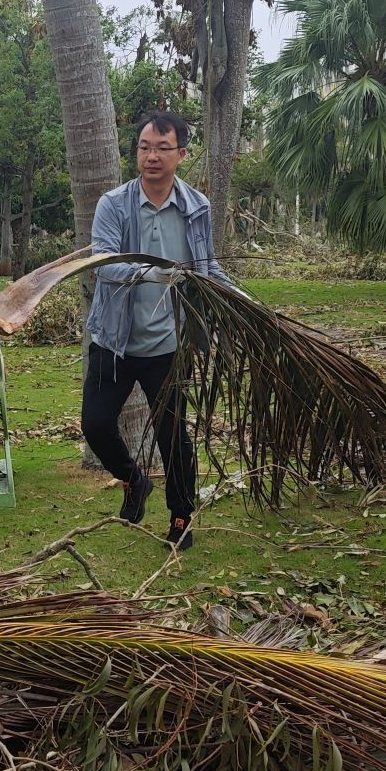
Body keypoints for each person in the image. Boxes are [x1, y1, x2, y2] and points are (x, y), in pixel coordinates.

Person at [81, 111, 237, 550]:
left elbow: (205, 268)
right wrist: (159, 274)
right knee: (95, 424)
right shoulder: (113, 204)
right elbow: (104, 264)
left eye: (162, 148)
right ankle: (133, 481)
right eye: (144, 147)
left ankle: (181, 517)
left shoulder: (197, 207)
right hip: (114, 339)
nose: (151, 156)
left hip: (168, 342)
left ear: (181, 155)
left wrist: (240, 299)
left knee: (173, 435)